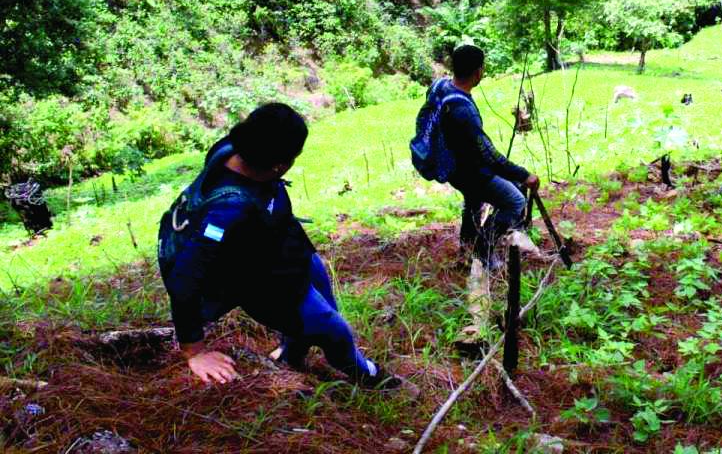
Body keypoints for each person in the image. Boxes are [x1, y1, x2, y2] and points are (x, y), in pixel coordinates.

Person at [158, 103, 397, 388]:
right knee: (335, 331)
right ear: (279, 165)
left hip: (286, 250)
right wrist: (194, 350)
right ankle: (368, 376)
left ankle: (292, 353)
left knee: (325, 306)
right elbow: (184, 278)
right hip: (265, 283)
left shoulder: (233, 149)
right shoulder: (228, 210)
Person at [426, 44, 538, 269]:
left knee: (473, 201)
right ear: (478, 72)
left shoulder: (441, 87)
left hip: (451, 166)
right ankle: (483, 249)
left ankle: (466, 247)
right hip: (470, 171)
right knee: (515, 201)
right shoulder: (463, 111)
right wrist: (524, 175)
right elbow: (489, 155)